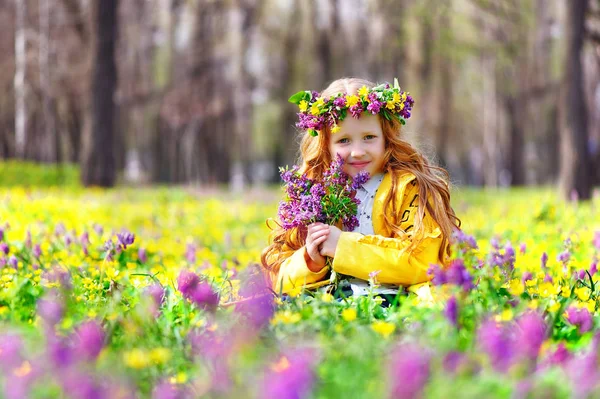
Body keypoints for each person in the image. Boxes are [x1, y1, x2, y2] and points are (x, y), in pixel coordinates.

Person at [261, 77, 461, 304]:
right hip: (329, 302)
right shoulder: (312, 196)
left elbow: (422, 261)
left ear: (387, 137)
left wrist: (342, 246)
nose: (357, 152)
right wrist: (310, 261)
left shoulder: (408, 188)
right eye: (344, 140)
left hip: (397, 301)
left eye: (369, 137)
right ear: (325, 145)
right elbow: (276, 276)